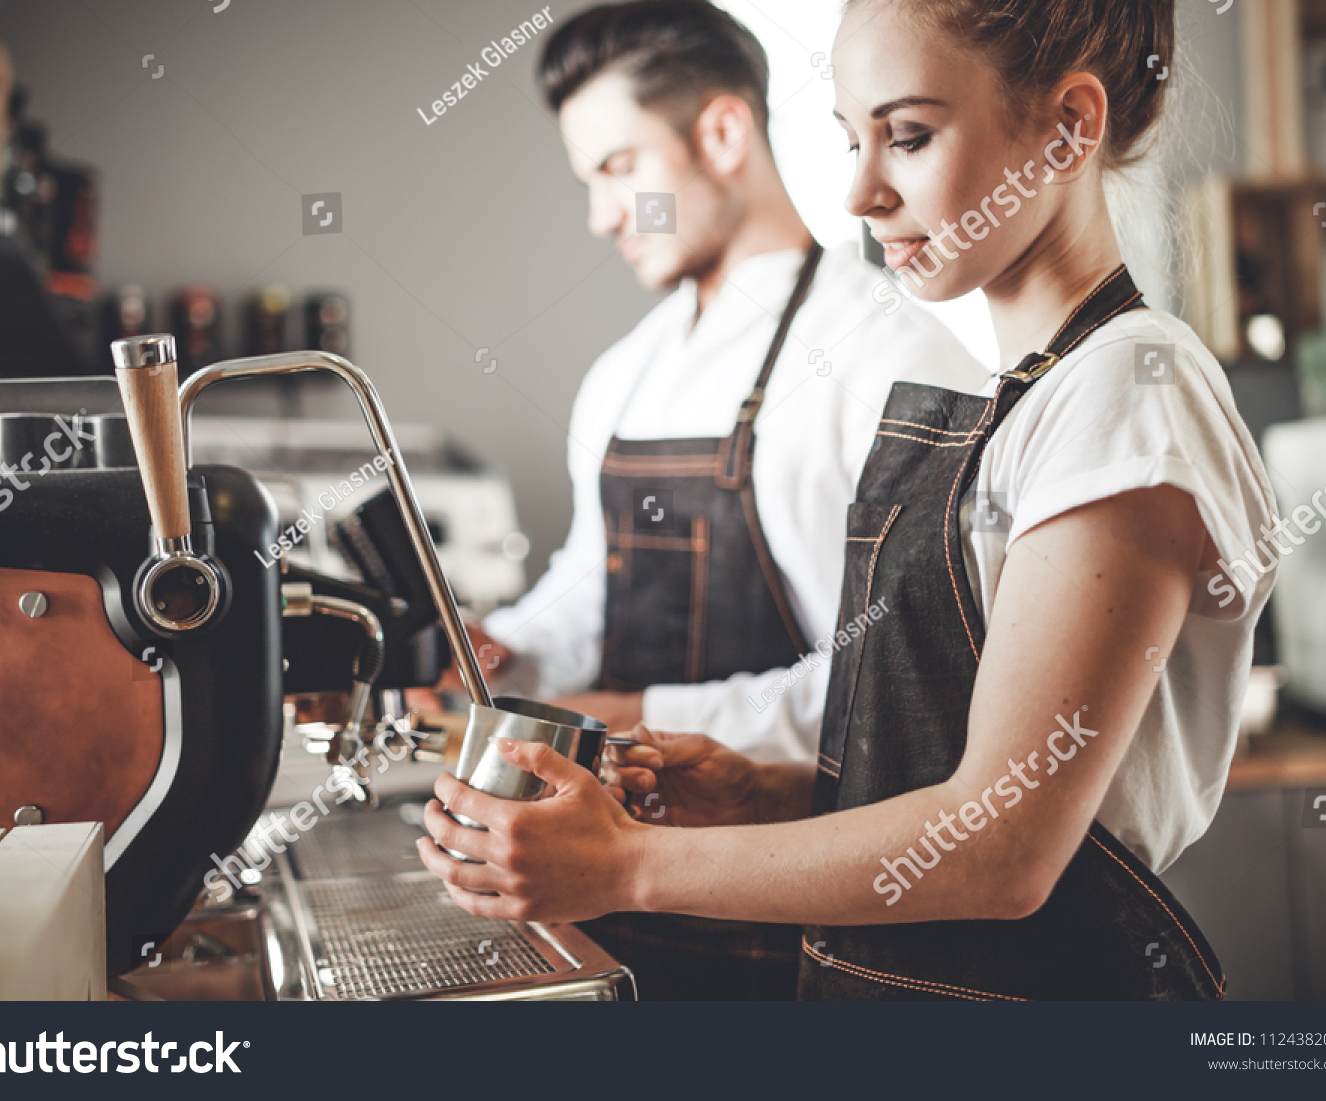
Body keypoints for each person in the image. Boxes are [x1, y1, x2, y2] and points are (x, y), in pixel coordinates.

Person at [418, 0, 1280, 1001]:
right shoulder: (1029, 395)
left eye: (908, 136)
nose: (862, 191)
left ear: (1069, 129)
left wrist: (624, 864)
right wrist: (771, 788)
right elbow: (952, 755)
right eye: (849, 139)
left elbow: (1003, 848)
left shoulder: (1131, 390)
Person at [421, 1, 983, 999]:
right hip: (614, 916)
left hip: (795, 917)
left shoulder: (888, 361)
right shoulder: (623, 375)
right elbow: (590, 593)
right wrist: (506, 655)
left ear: (722, 133)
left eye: (618, 169)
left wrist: (611, 718)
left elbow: (884, 699)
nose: (601, 214)